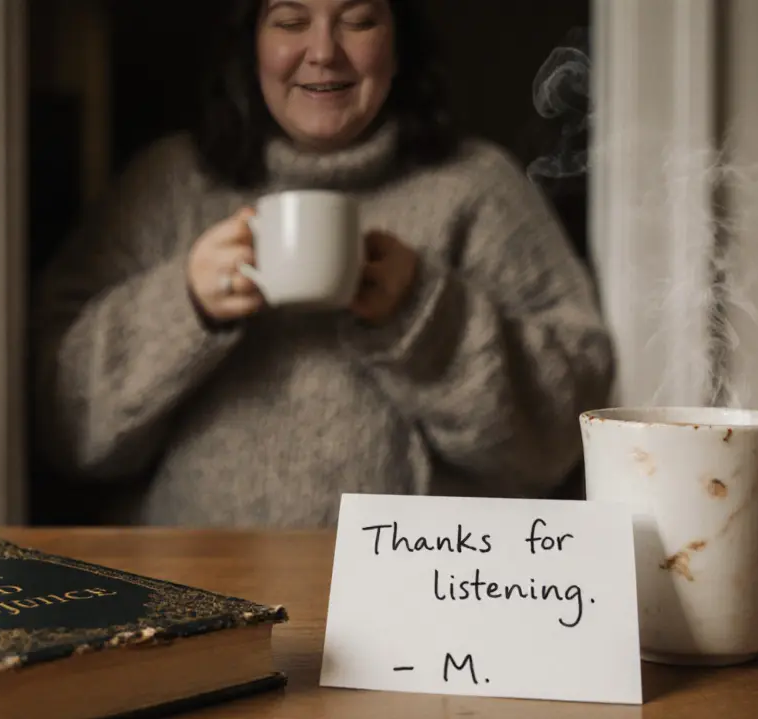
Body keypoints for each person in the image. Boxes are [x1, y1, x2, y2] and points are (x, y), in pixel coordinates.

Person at [33, 0, 615, 528]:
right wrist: (183, 306)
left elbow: (564, 439)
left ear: (398, 45)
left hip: (422, 590)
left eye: (358, 21)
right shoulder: (167, 185)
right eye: (290, 21)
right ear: (251, 45)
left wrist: (424, 315)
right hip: (188, 588)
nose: (322, 52)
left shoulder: (478, 187)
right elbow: (60, 422)